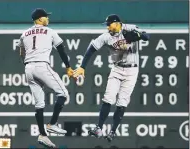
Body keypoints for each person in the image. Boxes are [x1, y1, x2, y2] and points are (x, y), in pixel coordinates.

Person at [73, 14, 150, 142]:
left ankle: (113, 132)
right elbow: (91, 49)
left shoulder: (130, 28)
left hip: (132, 70)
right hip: (117, 69)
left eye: (109, 24)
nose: (108, 26)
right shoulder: (106, 36)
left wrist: (138, 35)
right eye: (107, 25)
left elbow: (147, 36)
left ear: (117, 23)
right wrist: (82, 67)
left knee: (122, 102)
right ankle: (99, 128)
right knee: (108, 98)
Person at [17, 8, 74, 148]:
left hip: (28, 68)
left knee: (39, 104)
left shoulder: (24, 34)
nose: (48, 19)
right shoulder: (50, 31)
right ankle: (52, 124)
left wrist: (30, 59)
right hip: (42, 65)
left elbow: (21, 53)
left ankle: (43, 135)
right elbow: (61, 49)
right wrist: (68, 67)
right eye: (46, 17)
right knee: (63, 93)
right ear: (40, 19)